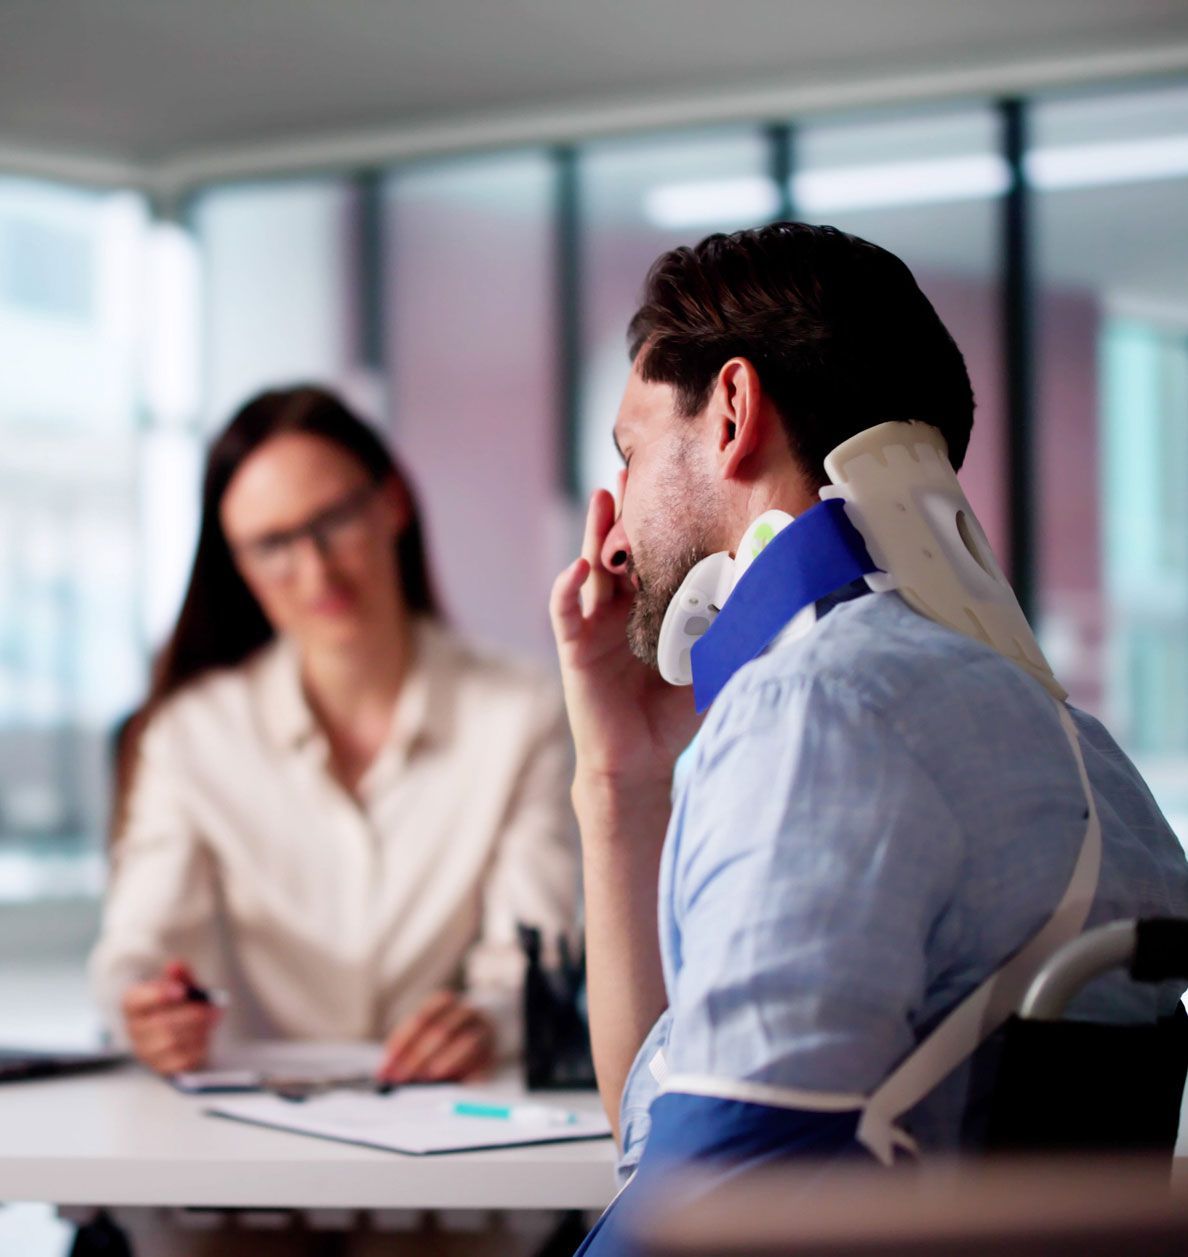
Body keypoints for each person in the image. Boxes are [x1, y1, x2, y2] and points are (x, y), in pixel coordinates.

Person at [548, 223, 1188, 1252]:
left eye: (631, 452)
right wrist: (618, 774)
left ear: (733, 414)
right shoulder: (1088, 754)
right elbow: (665, 1127)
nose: (615, 533)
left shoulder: (817, 712)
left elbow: (703, 1216)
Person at [91, 385, 578, 1087]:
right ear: (238, 564)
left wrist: (488, 1019)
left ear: (392, 504)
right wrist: (147, 1011)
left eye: (335, 519)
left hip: (454, 1130)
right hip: (249, 1144)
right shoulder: (189, 735)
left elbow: (533, 956)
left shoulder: (520, 710)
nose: (316, 569)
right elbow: (138, 949)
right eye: (272, 545)